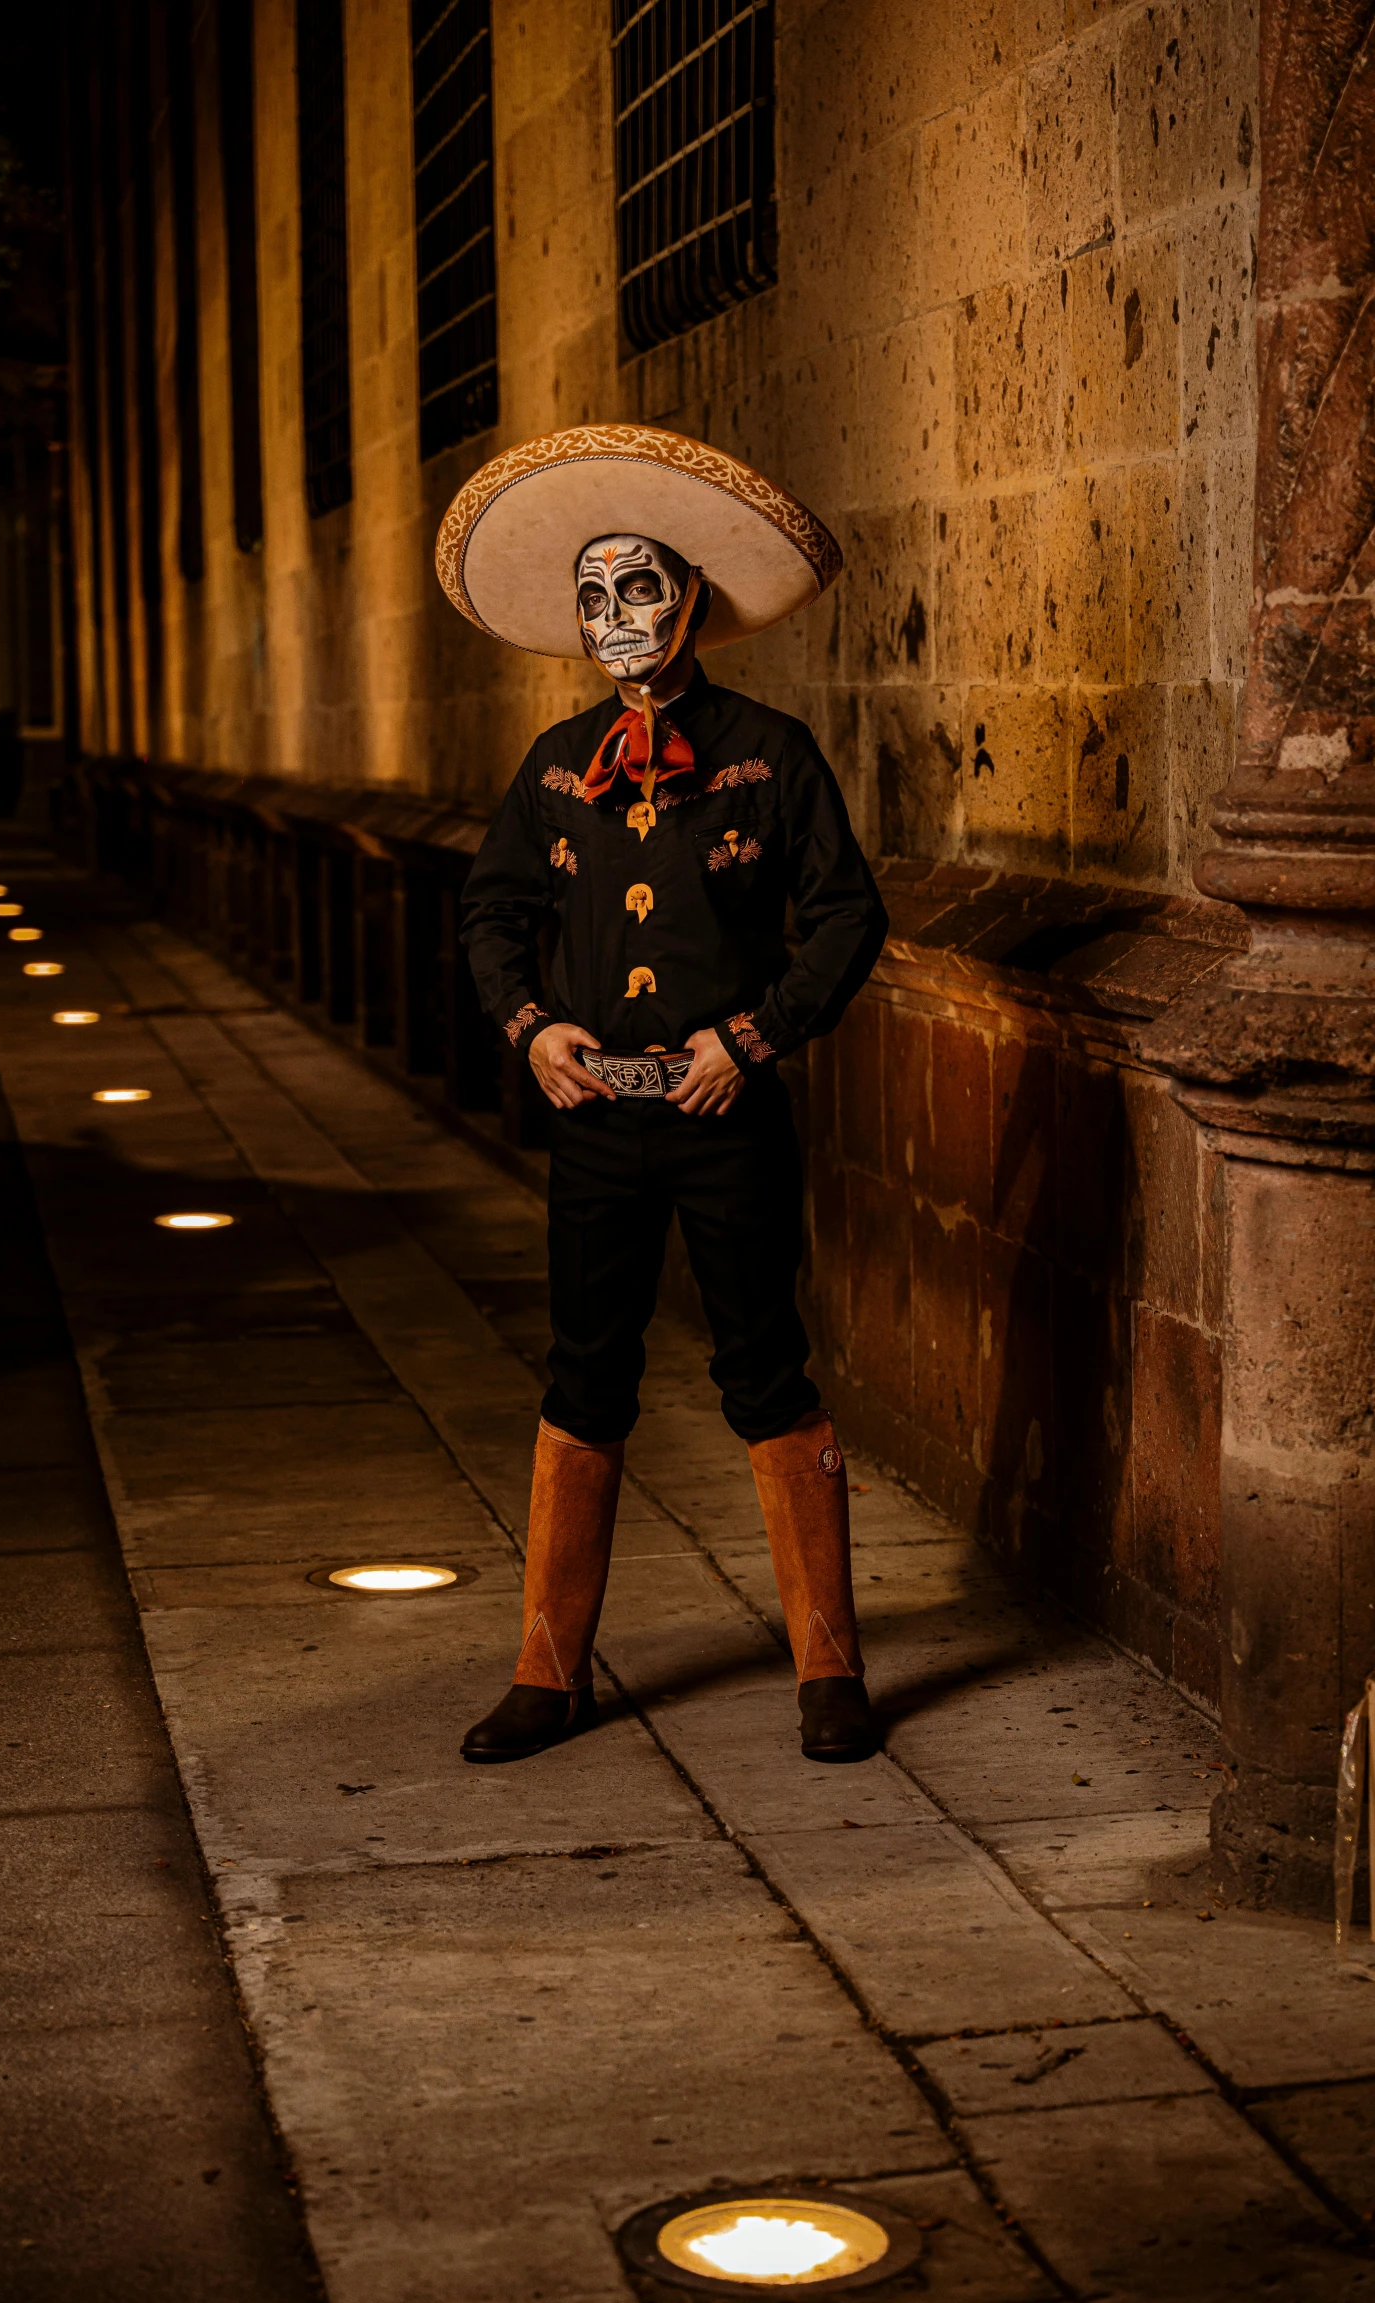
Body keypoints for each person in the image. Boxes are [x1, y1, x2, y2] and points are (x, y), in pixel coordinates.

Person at [437, 425, 888, 1767]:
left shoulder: (768, 753)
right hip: (597, 1128)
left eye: (635, 588)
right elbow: (489, 915)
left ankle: (828, 1664)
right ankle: (547, 1670)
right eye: (590, 596)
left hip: (723, 1118)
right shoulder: (555, 765)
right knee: (585, 1374)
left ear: (690, 596)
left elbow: (846, 918)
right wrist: (530, 1029)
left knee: (763, 1369)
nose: (612, 617)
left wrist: (752, 1039)